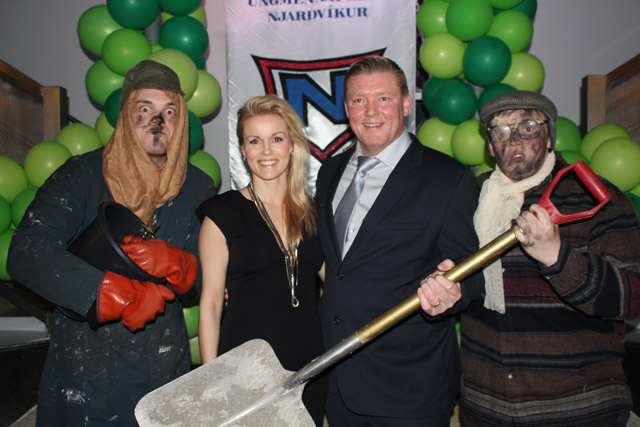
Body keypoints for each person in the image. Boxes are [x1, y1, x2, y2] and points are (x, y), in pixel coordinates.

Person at [7, 60, 216, 426]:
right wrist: (107, 292)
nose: (157, 122)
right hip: (87, 369)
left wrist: (182, 266)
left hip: (164, 365)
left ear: (181, 121)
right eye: (145, 109)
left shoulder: (197, 186)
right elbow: (27, 252)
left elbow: (210, 276)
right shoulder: (82, 174)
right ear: (125, 113)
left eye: (169, 112)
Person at [315, 55, 484, 426]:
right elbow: (333, 267)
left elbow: (472, 273)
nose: (370, 111)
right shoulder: (329, 173)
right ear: (346, 109)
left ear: (407, 104)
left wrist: (454, 290)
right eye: (359, 100)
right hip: (336, 381)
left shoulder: (448, 178)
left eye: (384, 99)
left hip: (409, 388)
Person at [459, 90, 640, 426]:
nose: (515, 140)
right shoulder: (469, 199)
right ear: (490, 146)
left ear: (549, 136)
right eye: (500, 131)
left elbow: (632, 296)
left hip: (578, 410)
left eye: (528, 127)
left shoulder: (595, 196)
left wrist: (558, 258)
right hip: (488, 408)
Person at [197, 95, 328, 425]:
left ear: (292, 145)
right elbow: (211, 304)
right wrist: (211, 380)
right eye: (255, 141)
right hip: (244, 371)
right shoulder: (222, 214)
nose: (266, 151)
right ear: (243, 149)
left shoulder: (315, 213)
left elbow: (341, 283)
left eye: (277, 139)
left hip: (309, 367)